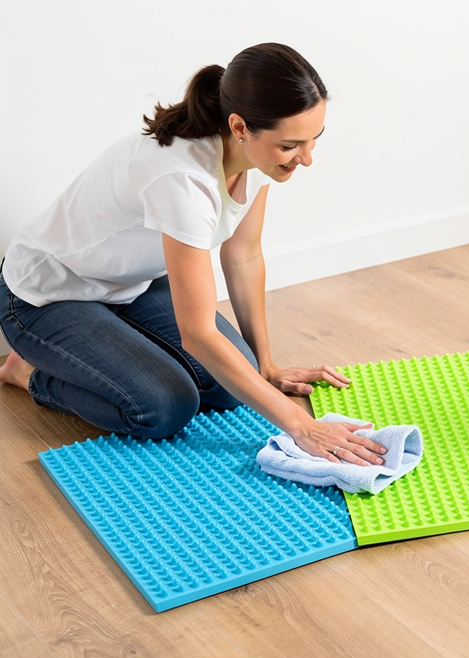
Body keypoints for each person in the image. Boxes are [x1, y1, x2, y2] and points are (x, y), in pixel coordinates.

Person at [0, 43, 385, 467]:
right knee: (164, 407)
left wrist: (266, 367)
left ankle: (110, 345)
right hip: (48, 293)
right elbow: (197, 334)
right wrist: (300, 425)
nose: (307, 159)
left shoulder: (254, 158)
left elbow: (243, 257)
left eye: (314, 139)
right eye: (291, 145)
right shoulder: (181, 176)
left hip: (130, 283)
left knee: (227, 384)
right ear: (240, 126)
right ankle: (28, 373)